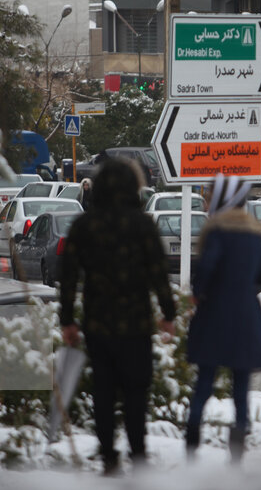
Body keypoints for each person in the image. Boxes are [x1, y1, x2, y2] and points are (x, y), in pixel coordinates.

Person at [59, 158, 176, 475]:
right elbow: (158, 273)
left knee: (104, 391)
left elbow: (68, 276)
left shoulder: (84, 226)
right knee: (136, 391)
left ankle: (109, 457)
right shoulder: (142, 225)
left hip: (98, 324)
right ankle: (138, 455)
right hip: (136, 324)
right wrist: (168, 313)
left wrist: (67, 320)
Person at [186, 174, 261, 465]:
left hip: (216, 315)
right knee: (241, 386)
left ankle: (192, 442)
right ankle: (237, 452)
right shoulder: (255, 235)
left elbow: (207, 268)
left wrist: (198, 293)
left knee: (205, 381)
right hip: (246, 316)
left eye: (210, 196)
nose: (207, 202)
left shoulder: (217, 232)